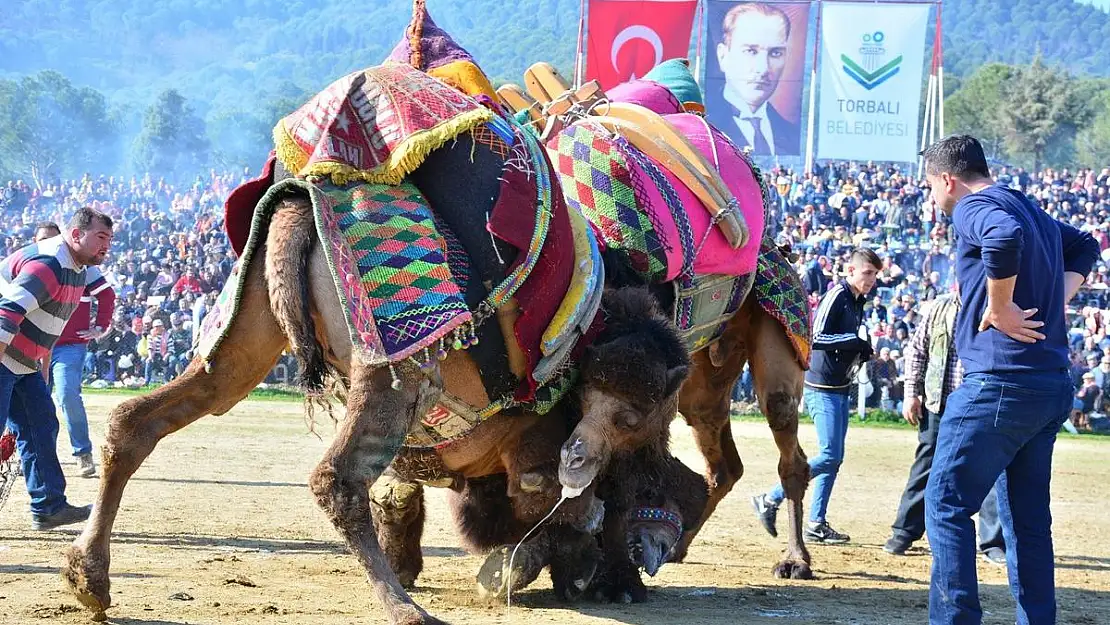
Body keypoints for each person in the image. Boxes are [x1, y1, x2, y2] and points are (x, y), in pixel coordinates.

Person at [921, 135, 1100, 625]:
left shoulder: (973, 207)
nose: (933, 199)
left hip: (999, 384)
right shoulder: (1031, 209)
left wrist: (999, 309)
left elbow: (1000, 237)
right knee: (1027, 520)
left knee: (946, 505)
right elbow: (1085, 244)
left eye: (931, 188)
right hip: (1047, 385)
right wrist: (1056, 300)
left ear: (947, 179)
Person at [752, 247, 881, 544]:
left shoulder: (858, 300)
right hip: (822, 387)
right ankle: (769, 498)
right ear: (851, 271)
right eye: (867, 273)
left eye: (875, 275)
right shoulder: (838, 295)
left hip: (838, 387)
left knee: (834, 458)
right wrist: (854, 341)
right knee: (830, 455)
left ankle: (816, 522)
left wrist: (860, 345)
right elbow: (817, 336)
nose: (872, 279)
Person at [0, 206, 113, 530]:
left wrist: (41, 367)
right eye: (100, 237)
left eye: (110, 239)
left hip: (21, 360)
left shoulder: (77, 267)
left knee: (41, 425)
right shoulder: (50, 264)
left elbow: (50, 323)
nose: (106, 246)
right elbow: (7, 313)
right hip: (4, 354)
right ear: (76, 234)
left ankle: (49, 507)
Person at [883, 290, 1005, 566]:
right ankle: (904, 531)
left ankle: (993, 543)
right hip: (939, 403)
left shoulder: (1000, 306)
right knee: (925, 467)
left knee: (991, 471)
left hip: (982, 405)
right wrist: (911, 393)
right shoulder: (939, 307)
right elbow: (917, 349)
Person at [32, 223, 116, 478]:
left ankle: (82, 453)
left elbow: (108, 295)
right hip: (35, 346)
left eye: (51, 239)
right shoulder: (32, 267)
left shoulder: (83, 269)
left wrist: (100, 327)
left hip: (68, 347)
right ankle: (34, 457)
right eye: (41, 240)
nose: (46, 244)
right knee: (32, 402)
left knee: (67, 395)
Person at [713, 2, 801, 156]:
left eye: (775, 53)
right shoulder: (704, 127)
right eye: (750, 51)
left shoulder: (789, 134)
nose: (763, 68)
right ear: (723, 56)